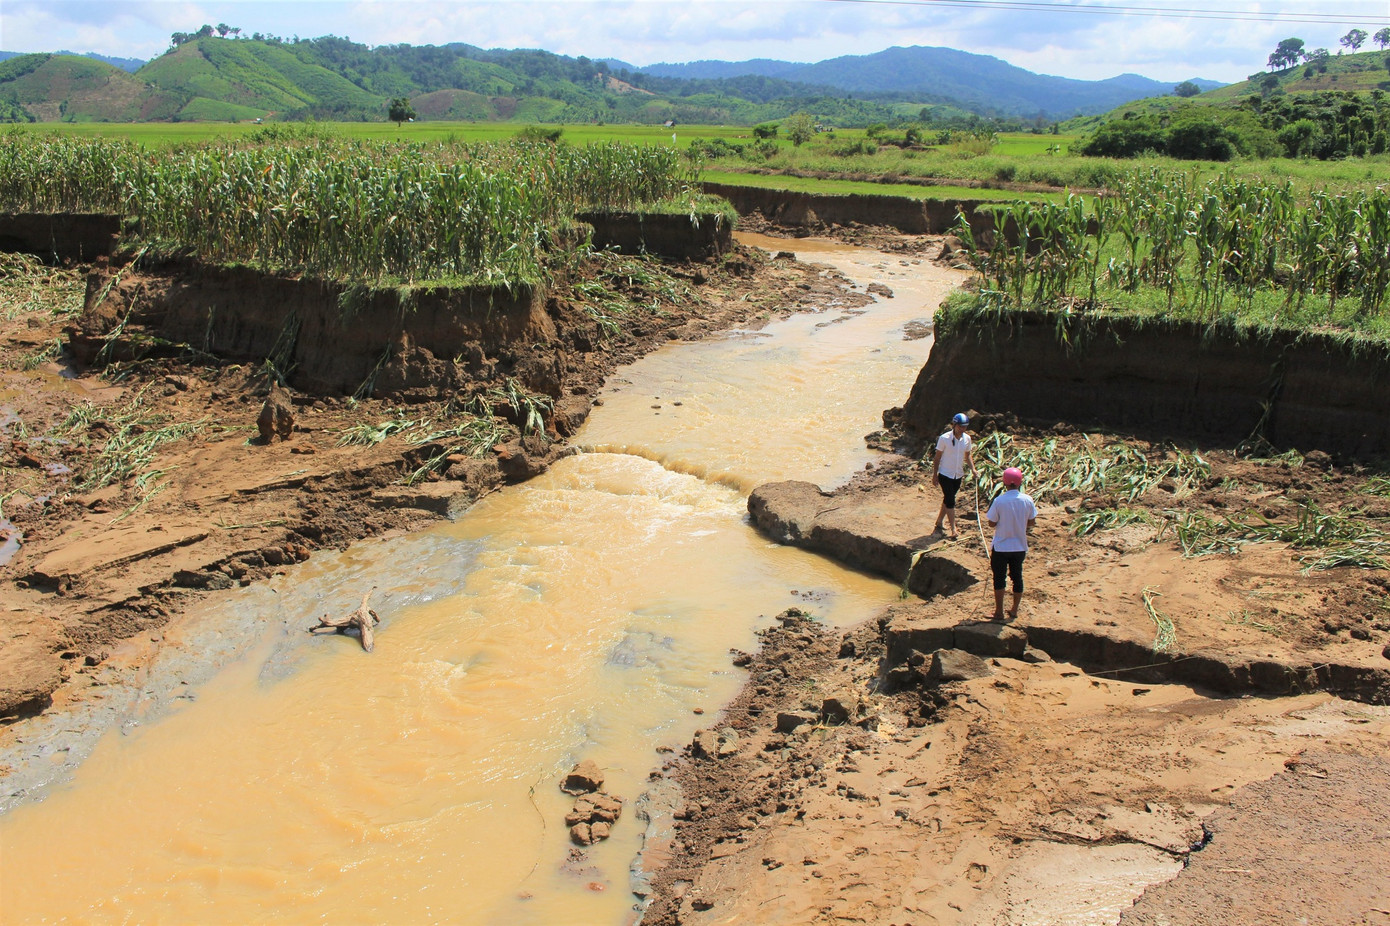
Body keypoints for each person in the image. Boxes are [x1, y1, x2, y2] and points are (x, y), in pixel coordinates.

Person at [986, 466, 1038, 621]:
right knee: (1017, 577)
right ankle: (1014, 610)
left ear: (1005, 483)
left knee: (999, 578)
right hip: (1019, 546)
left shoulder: (999, 501)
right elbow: (1032, 522)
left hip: (1001, 546)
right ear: (1020, 482)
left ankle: (999, 612)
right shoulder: (1027, 500)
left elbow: (991, 523)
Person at [930, 412, 977, 540]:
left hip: (958, 475)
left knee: (948, 499)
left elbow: (968, 455)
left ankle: (939, 521)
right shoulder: (944, 438)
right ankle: (953, 528)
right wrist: (935, 475)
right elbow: (937, 458)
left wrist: (973, 469)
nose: (962, 429)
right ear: (954, 425)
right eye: (960, 426)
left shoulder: (967, 439)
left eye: (964, 426)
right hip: (945, 474)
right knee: (951, 501)